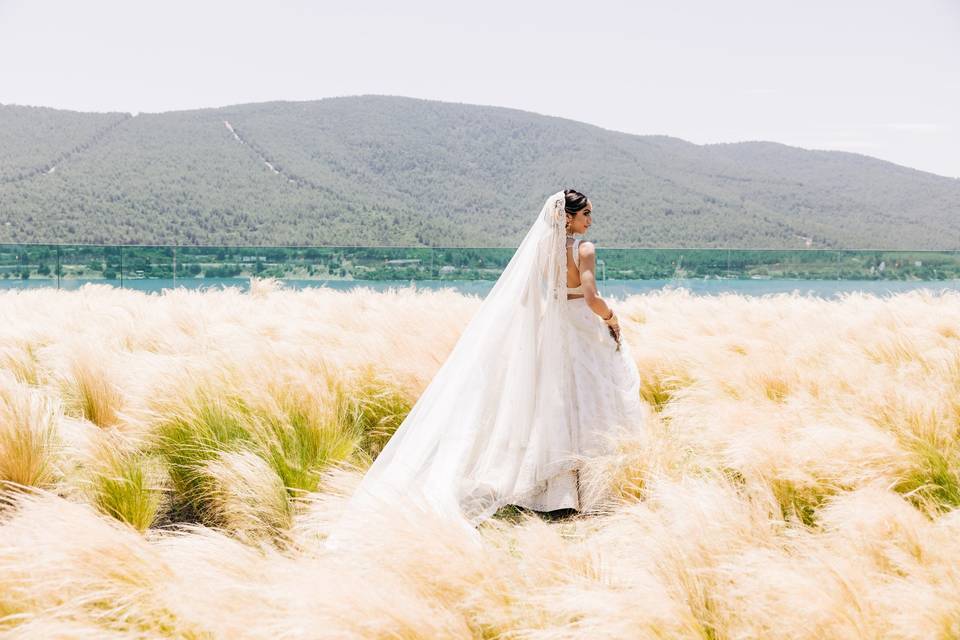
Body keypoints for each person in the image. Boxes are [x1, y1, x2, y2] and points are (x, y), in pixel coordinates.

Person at [324, 190, 645, 550]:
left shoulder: (541, 249)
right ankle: (592, 486)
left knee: (558, 400)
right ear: (567, 218)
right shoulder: (584, 249)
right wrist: (612, 319)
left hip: (554, 331)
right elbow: (590, 297)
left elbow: (536, 295)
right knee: (593, 398)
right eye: (585, 213)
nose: (590, 220)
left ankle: (559, 487)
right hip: (582, 328)